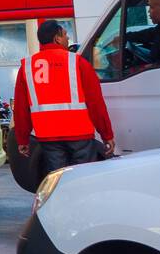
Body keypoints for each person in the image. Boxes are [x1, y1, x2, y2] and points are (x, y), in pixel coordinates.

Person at [14, 20, 114, 176]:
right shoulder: (78, 62)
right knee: (84, 178)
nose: (68, 39)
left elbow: (21, 108)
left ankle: (63, 200)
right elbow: (96, 103)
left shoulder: (27, 67)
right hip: (80, 135)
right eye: (66, 35)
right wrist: (107, 135)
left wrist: (23, 139)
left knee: (58, 179)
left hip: (48, 136)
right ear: (57, 38)